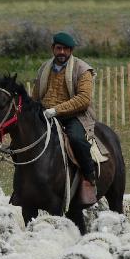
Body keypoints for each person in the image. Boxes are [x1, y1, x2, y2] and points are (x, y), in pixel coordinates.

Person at [31, 31, 98, 206]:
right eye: (59, 48)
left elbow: (83, 99)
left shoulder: (83, 70)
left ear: (71, 51)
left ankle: (89, 177)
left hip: (74, 116)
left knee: (76, 140)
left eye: (66, 49)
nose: (62, 52)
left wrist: (56, 110)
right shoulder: (44, 69)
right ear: (53, 48)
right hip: (46, 114)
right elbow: (36, 96)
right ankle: (25, 184)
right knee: (27, 140)